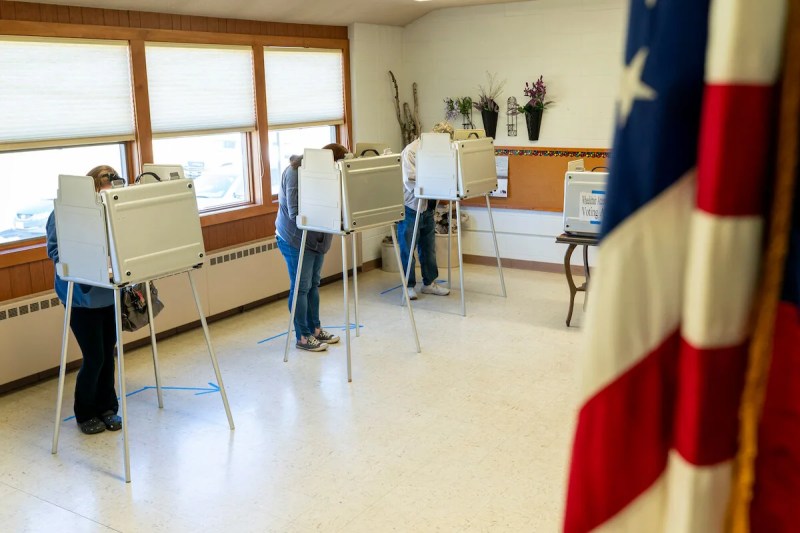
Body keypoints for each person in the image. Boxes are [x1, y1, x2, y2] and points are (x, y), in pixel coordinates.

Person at [46, 165, 123, 435]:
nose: (109, 189)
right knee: (94, 357)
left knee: (108, 354)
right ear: (92, 186)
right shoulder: (64, 212)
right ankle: (85, 413)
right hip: (81, 297)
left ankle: (108, 408)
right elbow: (54, 250)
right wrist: (86, 255)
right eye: (105, 183)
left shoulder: (113, 208)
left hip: (108, 293)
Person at [276, 143, 349, 352]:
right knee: (301, 287)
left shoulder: (330, 174)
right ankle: (303, 337)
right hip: (295, 238)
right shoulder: (295, 172)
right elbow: (294, 212)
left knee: (313, 284)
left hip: (317, 237)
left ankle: (315, 329)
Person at [397, 122, 453, 300]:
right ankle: (408, 285)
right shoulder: (411, 151)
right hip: (411, 205)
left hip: (428, 205)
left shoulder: (440, 150)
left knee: (428, 247)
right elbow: (410, 179)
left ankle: (429, 283)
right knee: (408, 247)